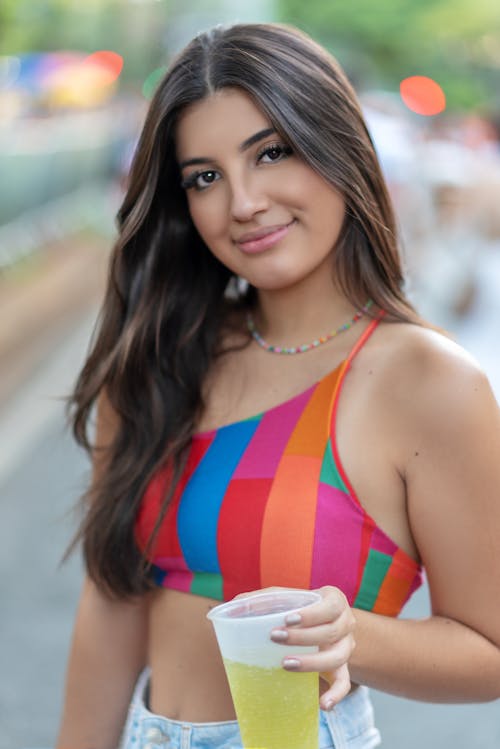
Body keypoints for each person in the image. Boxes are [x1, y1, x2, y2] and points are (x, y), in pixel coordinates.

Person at [56, 22, 500, 749]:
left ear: (337, 147)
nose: (244, 202)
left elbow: (490, 649)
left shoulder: (428, 382)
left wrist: (351, 634)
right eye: (205, 176)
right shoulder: (160, 356)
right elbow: (112, 599)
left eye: (272, 152)